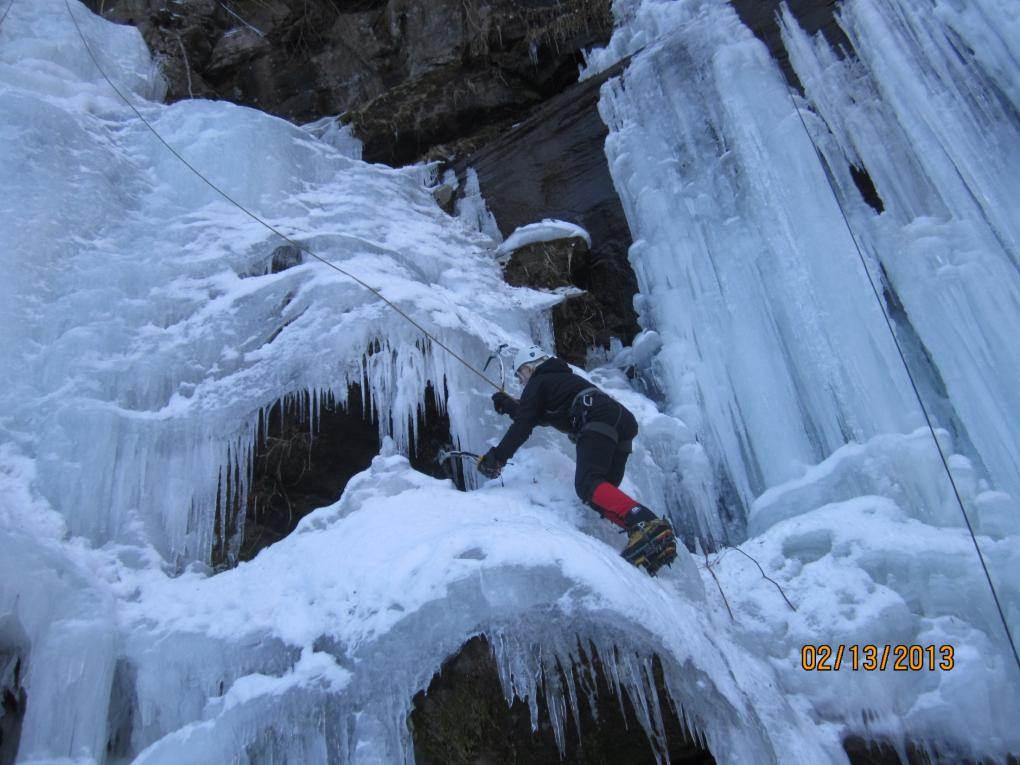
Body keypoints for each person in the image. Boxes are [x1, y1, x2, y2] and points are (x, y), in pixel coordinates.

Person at [477, 346, 677, 574]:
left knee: (587, 484)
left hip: (596, 417)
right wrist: (510, 405)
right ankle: (645, 533)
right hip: (621, 421)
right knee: (599, 493)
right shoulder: (560, 379)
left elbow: (525, 424)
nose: (522, 382)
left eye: (521, 375)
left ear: (530, 366)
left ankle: (645, 523)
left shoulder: (538, 381)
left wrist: (497, 457)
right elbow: (538, 415)